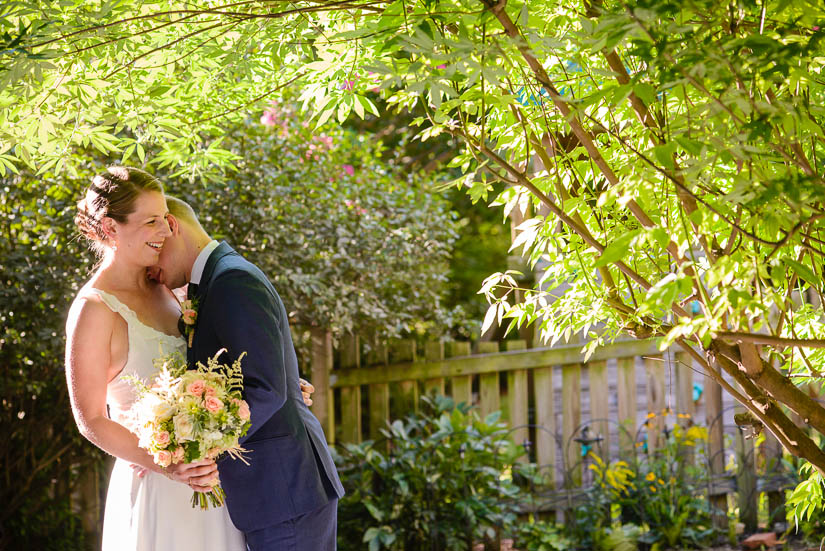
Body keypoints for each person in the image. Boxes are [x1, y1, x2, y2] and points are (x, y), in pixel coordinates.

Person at [64, 167, 316, 550]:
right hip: (159, 485)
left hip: (214, 483)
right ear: (110, 228)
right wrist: (170, 464)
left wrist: (277, 384)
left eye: (165, 218)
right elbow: (91, 419)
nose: (165, 231)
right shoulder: (94, 309)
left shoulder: (173, 291)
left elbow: (213, 367)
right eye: (151, 222)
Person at [152, 195, 344, 550]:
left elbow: (266, 388)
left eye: (153, 251)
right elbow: (263, 367)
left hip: (284, 492)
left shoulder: (232, 280)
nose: (150, 268)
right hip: (276, 493)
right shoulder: (216, 281)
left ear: (172, 226)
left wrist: (203, 446)